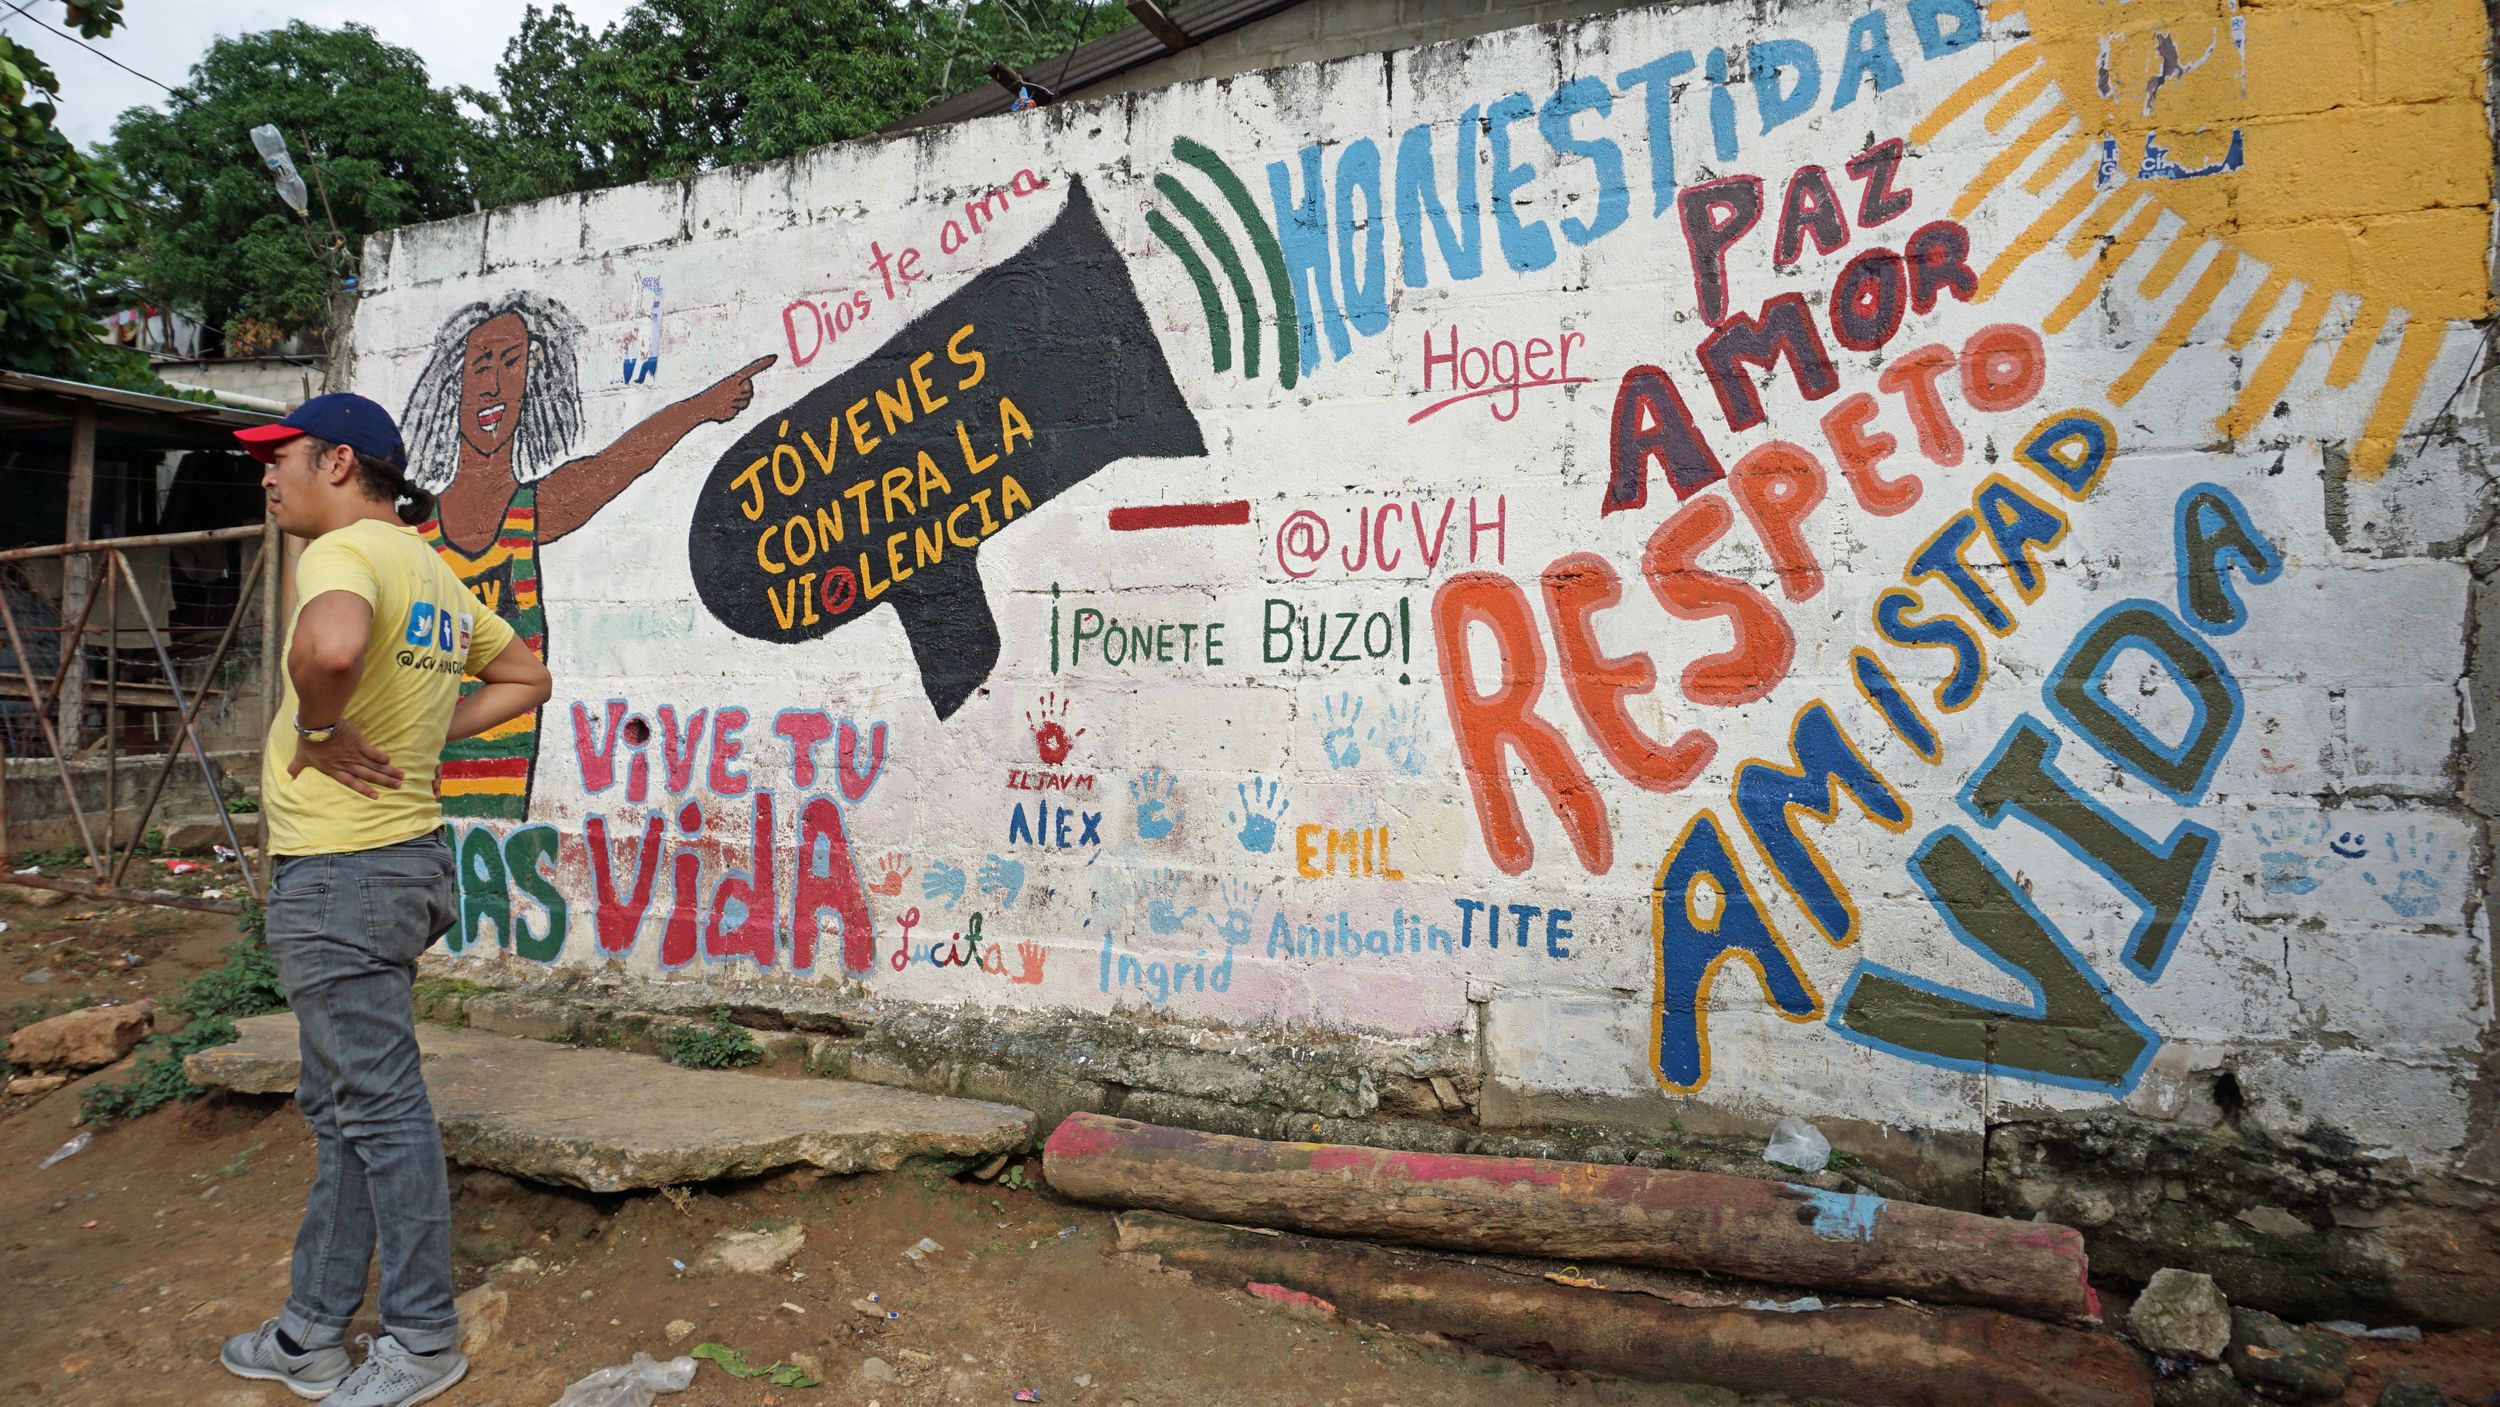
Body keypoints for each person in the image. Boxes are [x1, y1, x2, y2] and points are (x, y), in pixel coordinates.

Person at [220, 393, 553, 1406]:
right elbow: (527, 675)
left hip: (340, 874)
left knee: (380, 1109)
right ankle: (312, 1330)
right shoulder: (434, 574)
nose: (266, 477)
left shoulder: (344, 555)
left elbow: (327, 651)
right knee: (344, 1108)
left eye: (281, 458)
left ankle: (420, 1337)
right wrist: (421, 734)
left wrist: (322, 731)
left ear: (339, 464)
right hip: (400, 861)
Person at [396, 290, 767, 820]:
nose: (494, 384)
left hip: (501, 794)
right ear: (453, 384)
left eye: (512, 363)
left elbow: (619, 462)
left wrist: (699, 409)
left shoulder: (531, 513)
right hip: (409, 780)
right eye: (480, 365)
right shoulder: (411, 530)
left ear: (535, 386)